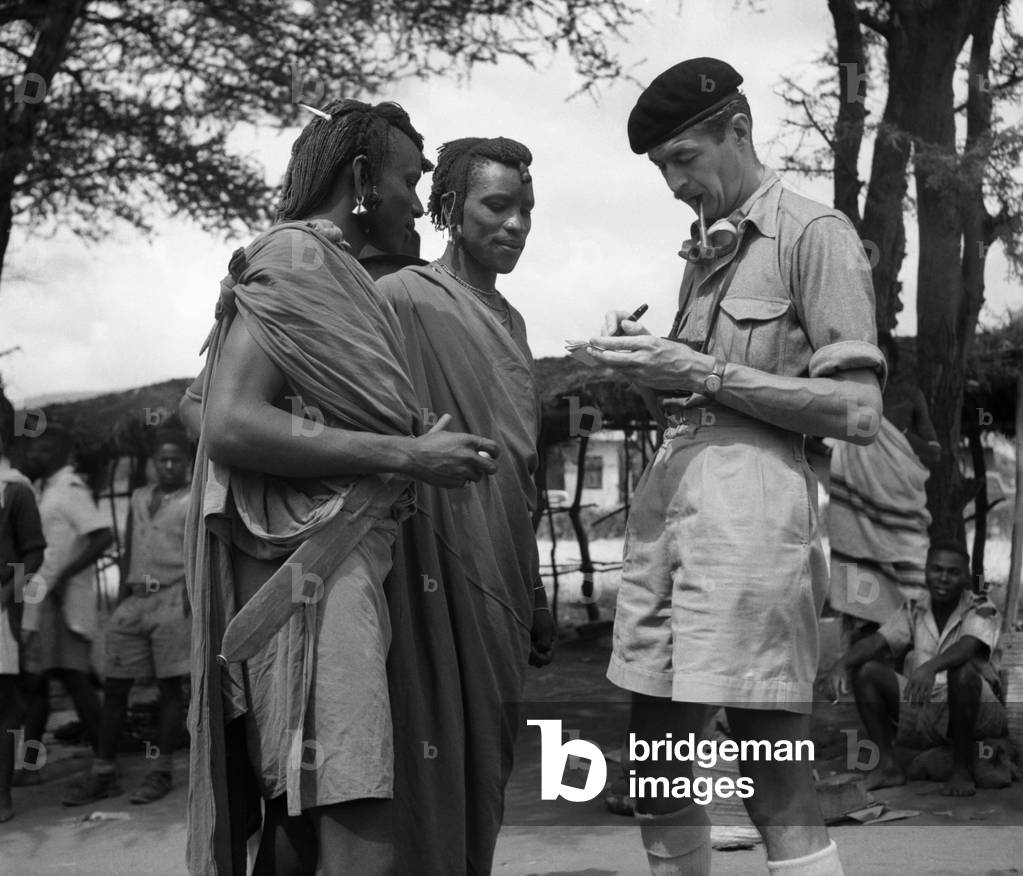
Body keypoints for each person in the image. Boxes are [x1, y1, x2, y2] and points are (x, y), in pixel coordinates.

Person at [586, 58, 885, 875]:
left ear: (739, 130)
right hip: (669, 513)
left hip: (755, 516)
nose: (675, 183)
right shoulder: (703, 252)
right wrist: (650, 370)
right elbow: (697, 404)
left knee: (766, 751)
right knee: (656, 751)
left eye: (684, 159)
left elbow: (857, 412)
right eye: (661, 169)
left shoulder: (811, 234)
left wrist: (702, 372)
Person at [185, 99, 499, 876]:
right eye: (407, 179)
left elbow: (198, 400)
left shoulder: (337, 276)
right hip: (310, 576)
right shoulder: (297, 259)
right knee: (359, 818)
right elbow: (225, 421)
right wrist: (408, 455)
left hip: (333, 567)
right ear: (360, 177)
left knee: (303, 817)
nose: (418, 202)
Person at [375, 136, 553, 874]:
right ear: (447, 208)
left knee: (485, 756)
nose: (514, 224)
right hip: (422, 561)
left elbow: (520, 468)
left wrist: (536, 589)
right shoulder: (397, 298)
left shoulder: (510, 322)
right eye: (497, 205)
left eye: (526, 210)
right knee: (424, 746)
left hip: (502, 565)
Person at [63, 430, 193, 806]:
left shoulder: (192, 499)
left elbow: (198, 551)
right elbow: (130, 550)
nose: (169, 466)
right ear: (153, 463)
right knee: (116, 687)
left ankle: (161, 770)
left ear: (186, 463)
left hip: (172, 599)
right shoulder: (138, 498)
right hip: (135, 600)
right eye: (162, 459)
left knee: (170, 689)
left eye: (176, 460)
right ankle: (104, 772)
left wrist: (188, 599)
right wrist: (121, 602)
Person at [827, 541, 1006, 797]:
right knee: (865, 671)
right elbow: (879, 640)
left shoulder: (982, 606)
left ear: (965, 576)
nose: (943, 578)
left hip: (980, 710)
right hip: (929, 705)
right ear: (926, 572)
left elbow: (967, 647)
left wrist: (930, 667)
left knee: (962, 671)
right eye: (936, 569)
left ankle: (962, 769)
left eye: (953, 572)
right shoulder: (914, 607)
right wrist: (841, 664)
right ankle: (888, 766)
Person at [18, 424, 112, 782]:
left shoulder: (70, 490)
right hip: (44, 600)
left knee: (75, 680)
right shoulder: (46, 490)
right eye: (33, 451)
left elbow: (103, 537)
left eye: (42, 451)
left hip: (64, 601)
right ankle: (29, 766)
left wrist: (66, 576)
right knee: (37, 682)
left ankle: (106, 763)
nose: (34, 456)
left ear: (59, 452)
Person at [828, 333, 940, 622]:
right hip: (857, 515)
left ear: (889, 361)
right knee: (860, 611)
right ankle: (857, 660)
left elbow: (934, 455)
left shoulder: (909, 397)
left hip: (904, 518)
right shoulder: (846, 398)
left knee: (911, 603)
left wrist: (901, 434)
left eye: (880, 357)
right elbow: (825, 442)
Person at [0, 392, 46, 822]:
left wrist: (6, 595)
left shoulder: (15, 491)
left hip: (0, 613)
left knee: (3, 703)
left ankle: (3, 796)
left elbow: (34, 552)